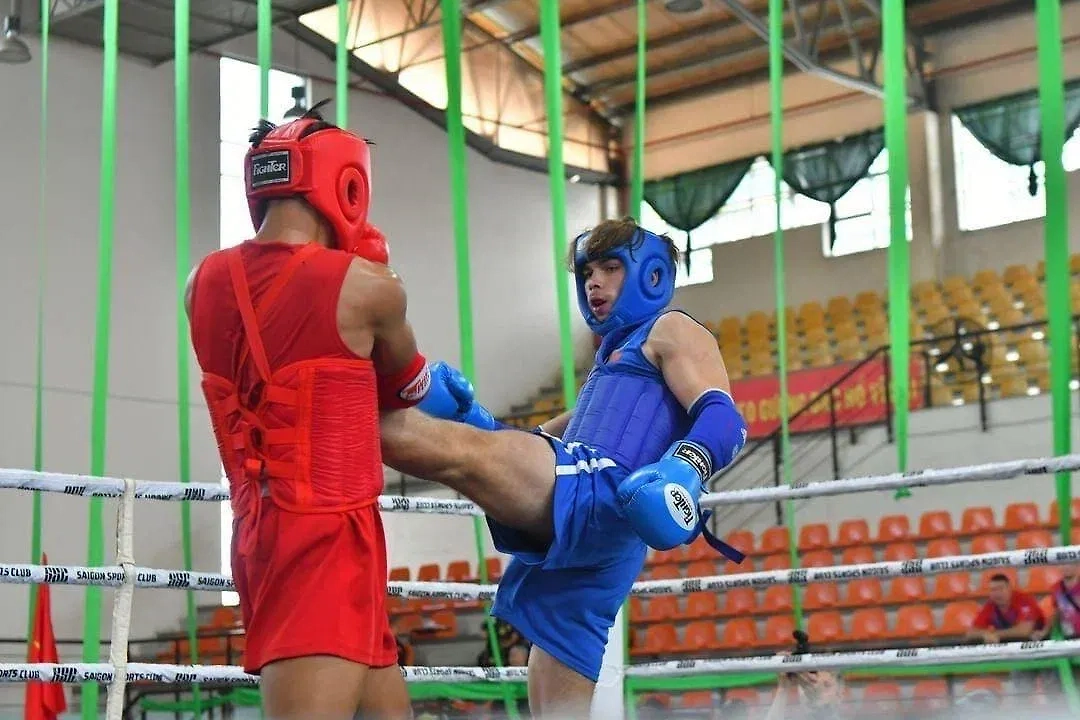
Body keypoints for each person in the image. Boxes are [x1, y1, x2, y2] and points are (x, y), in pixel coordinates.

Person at [378, 217, 748, 717]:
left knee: (453, 454)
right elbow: (547, 440)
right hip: (601, 532)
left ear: (651, 275)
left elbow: (724, 417)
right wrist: (479, 420)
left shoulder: (673, 329)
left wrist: (685, 468)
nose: (594, 282)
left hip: (603, 490)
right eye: (588, 271)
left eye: (611, 268)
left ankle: (327, 404)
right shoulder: (611, 361)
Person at [187, 101, 442, 719]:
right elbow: (409, 389)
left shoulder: (201, 282)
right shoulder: (366, 286)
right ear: (347, 183)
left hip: (259, 534)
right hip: (325, 537)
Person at [967, 573, 1045, 644]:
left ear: (1009, 588)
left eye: (1000, 589)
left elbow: (1024, 631)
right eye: (993, 590)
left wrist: (994, 634)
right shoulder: (990, 605)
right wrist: (985, 635)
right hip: (1009, 641)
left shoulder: (1025, 600)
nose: (997, 593)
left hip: (1036, 641)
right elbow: (971, 633)